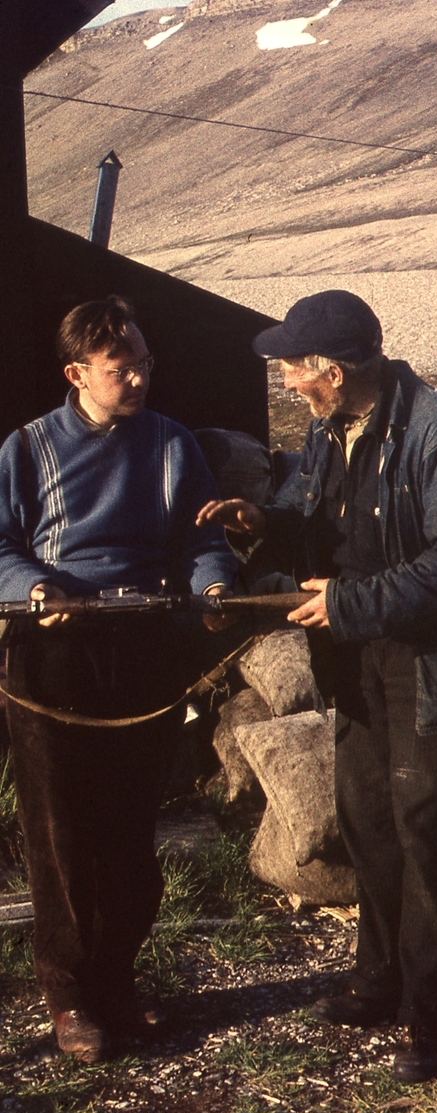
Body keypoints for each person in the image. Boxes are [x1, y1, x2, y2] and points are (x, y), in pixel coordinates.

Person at [197, 290, 437, 1082]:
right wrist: (260, 524)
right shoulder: (328, 430)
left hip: (433, 666)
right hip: (360, 657)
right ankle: (379, 983)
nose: (288, 381)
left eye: (294, 368)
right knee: (370, 824)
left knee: (432, 838)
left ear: (332, 371)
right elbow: (320, 525)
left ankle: (434, 1025)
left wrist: (343, 602)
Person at [0, 295, 236, 1062]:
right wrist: (36, 592)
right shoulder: (28, 449)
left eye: (142, 363)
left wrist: (212, 591)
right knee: (60, 829)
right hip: (53, 654)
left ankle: (119, 981)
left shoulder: (172, 445)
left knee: (132, 829)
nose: (137, 378)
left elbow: (202, 545)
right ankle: (70, 1000)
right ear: (77, 373)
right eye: (118, 367)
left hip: (143, 649)